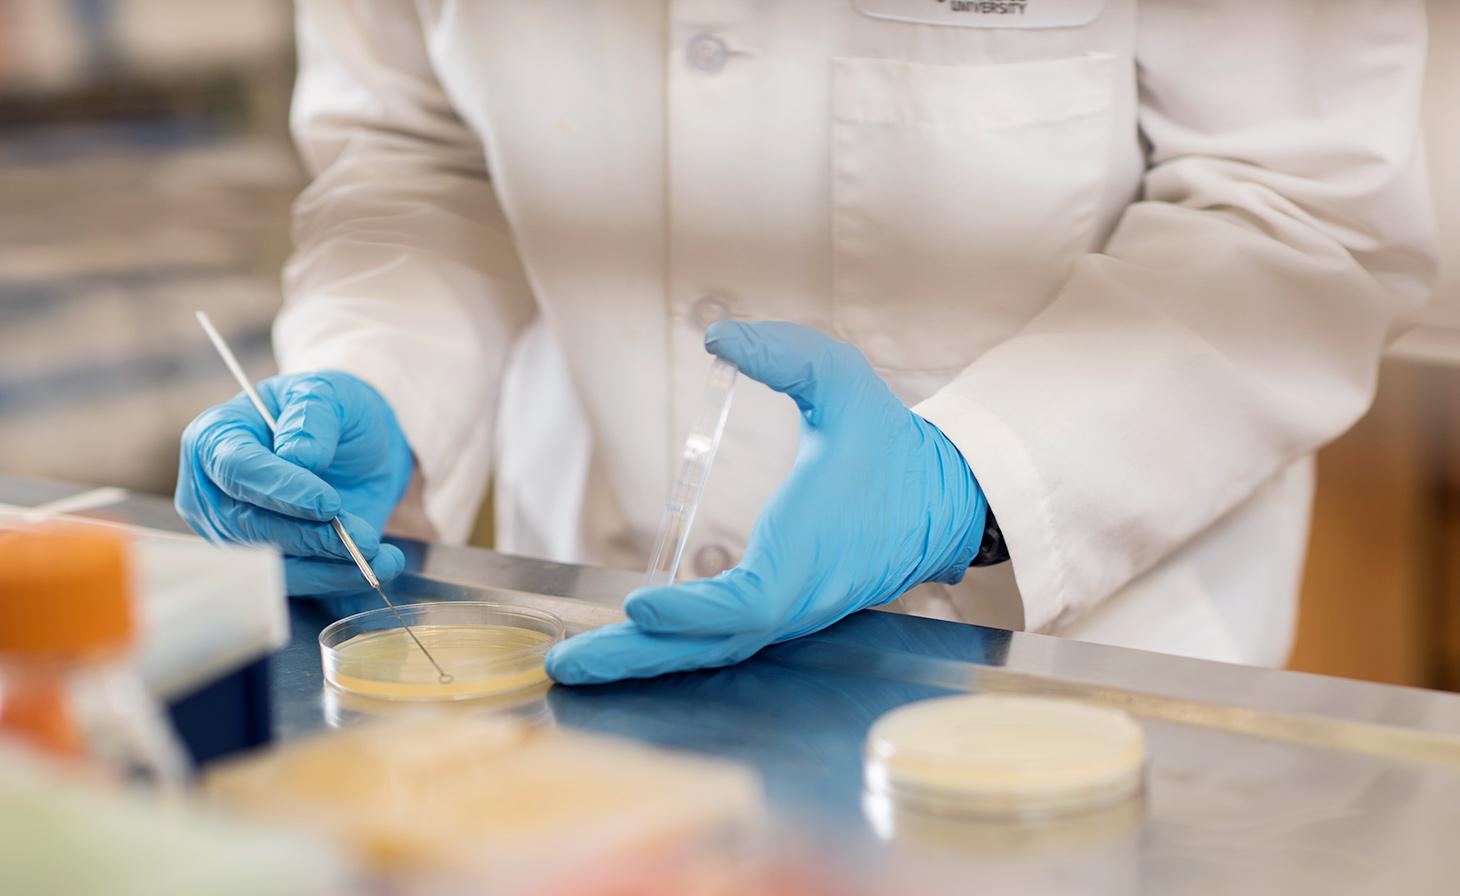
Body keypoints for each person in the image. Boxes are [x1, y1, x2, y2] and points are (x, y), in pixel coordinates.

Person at [176, 1, 1436, 685]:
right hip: (588, 629)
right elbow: (418, 150)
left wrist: (973, 482)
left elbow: (1296, 203)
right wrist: (382, 372)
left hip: (1063, 679)